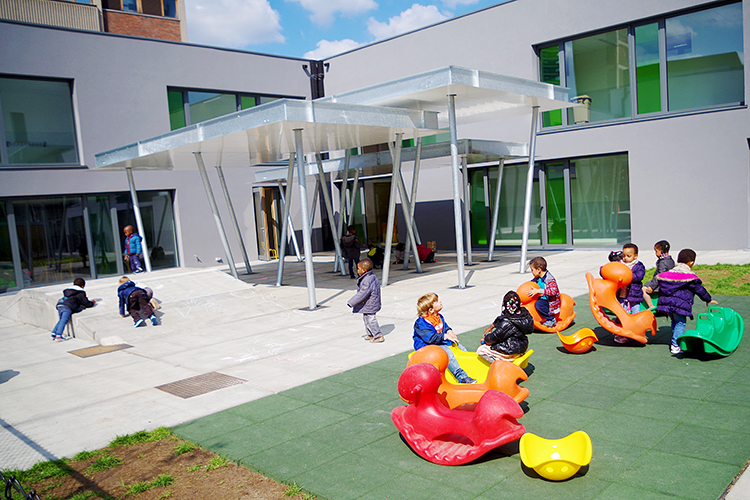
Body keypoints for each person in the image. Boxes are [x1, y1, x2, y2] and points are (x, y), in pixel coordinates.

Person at [656, 248, 717, 355]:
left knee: (675, 321)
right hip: (680, 305)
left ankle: (674, 341)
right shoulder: (689, 276)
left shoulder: (669, 274)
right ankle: (676, 345)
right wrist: (708, 299)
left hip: (667, 303)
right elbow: (699, 289)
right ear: (691, 262)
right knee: (680, 322)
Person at [413, 293, 476, 384]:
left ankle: (469, 367)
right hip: (426, 346)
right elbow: (430, 338)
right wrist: (445, 336)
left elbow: (444, 327)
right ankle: (461, 377)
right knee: (446, 352)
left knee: (459, 347)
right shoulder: (422, 323)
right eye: (437, 302)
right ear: (430, 310)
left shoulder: (438, 316)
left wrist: (449, 331)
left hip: (438, 341)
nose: (440, 301)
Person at [477, 290, 532, 362]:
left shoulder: (507, 321)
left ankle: (500, 365)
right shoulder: (525, 315)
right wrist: (493, 325)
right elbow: (502, 318)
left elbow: (495, 337)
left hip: (509, 350)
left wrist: (485, 340)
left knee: (481, 350)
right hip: (522, 347)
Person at [346, 259, 384, 343]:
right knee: (366, 318)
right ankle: (371, 333)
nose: (357, 270)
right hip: (368, 303)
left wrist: (351, 302)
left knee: (370, 319)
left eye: (358, 268)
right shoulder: (369, 277)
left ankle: (378, 335)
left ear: (364, 270)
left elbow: (363, 293)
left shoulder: (367, 280)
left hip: (371, 303)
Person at [526, 256, 560, 328]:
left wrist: (539, 291)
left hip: (550, 302)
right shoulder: (538, 278)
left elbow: (553, 291)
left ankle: (551, 319)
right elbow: (532, 283)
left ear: (538, 270)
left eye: (532, 270)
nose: (532, 272)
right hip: (542, 298)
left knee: (538, 304)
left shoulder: (550, 279)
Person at [642, 240, 675, 306]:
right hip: (668, 283)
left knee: (643, 289)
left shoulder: (662, 263)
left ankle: (650, 305)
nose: (655, 253)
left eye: (656, 251)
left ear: (661, 251)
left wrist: (652, 287)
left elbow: (660, 276)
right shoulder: (671, 260)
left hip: (660, 284)